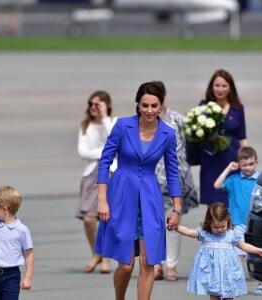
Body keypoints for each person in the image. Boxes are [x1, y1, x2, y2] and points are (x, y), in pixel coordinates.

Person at [95, 81, 182, 300]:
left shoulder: (168, 134)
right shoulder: (123, 126)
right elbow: (105, 162)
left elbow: (173, 172)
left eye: (154, 105)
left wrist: (176, 209)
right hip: (122, 194)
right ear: (138, 105)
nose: (150, 110)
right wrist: (102, 199)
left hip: (150, 198)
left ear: (161, 106)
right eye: (145, 105)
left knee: (148, 260)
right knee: (125, 265)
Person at [174, 202, 262, 300]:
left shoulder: (231, 234)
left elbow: (243, 245)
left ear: (228, 221)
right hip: (212, 273)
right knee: (214, 296)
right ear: (209, 223)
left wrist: (257, 250)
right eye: (215, 227)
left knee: (229, 296)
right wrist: (176, 227)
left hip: (228, 273)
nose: (219, 230)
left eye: (223, 226)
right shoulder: (206, 234)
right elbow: (189, 232)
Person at [154, 81, 199, 281]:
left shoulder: (177, 119)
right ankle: (156, 264)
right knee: (154, 224)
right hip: (152, 179)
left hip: (176, 179)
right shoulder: (144, 120)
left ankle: (171, 265)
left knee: (172, 223)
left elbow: (194, 138)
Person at [214, 146, 262, 295]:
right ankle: (231, 281)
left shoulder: (260, 180)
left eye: (251, 164)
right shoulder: (234, 180)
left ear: (256, 162)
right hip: (239, 224)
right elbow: (216, 185)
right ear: (239, 164)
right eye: (244, 165)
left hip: (257, 224)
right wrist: (229, 169)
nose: (248, 168)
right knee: (238, 254)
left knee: (260, 252)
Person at [76, 90, 117, 274]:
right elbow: (82, 152)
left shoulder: (114, 123)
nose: (93, 108)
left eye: (97, 104)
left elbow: (116, 141)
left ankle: (106, 257)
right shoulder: (85, 125)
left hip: (111, 172)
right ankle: (96, 252)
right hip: (91, 173)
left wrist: (105, 117)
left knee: (107, 217)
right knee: (89, 218)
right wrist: (104, 153)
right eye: (91, 104)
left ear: (106, 105)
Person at [198, 69, 248, 207]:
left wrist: (246, 159)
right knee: (213, 202)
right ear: (211, 87)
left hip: (232, 160)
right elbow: (197, 134)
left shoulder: (237, 108)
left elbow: (242, 137)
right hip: (211, 160)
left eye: (224, 86)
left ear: (230, 88)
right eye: (217, 85)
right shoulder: (203, 107)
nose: (220, 90)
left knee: (232, 201)